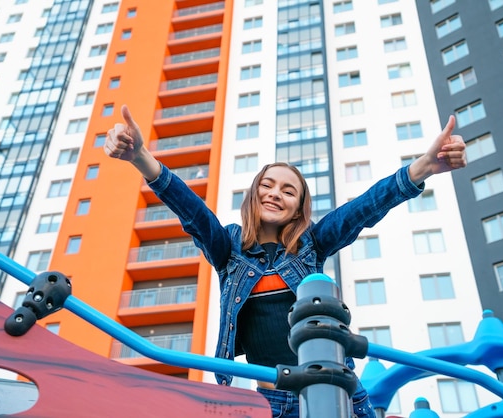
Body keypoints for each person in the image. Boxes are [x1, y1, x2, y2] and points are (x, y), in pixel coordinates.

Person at [104, 105, 466, 418]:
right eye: (268, 184)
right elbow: (192, 212)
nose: (276, 193)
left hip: (337, 385)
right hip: (275, 397)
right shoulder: (229, 249)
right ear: (254, 193)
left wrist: (423, 167)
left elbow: (363, 209)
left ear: (298, 207)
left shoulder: (311, 245)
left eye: (288, 190)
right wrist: (140, 157)